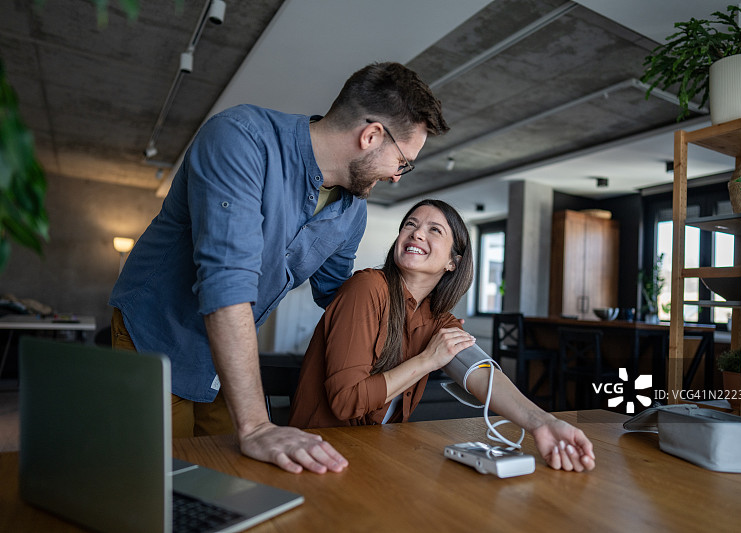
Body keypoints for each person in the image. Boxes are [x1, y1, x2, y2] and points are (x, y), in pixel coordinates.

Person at [109, 62, 449, 474]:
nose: (398, 177)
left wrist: (414, 312)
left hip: (228, 355)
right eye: (403, 162)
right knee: (161, 477)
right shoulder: (240, 139)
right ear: (371, 135)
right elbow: (226, 286)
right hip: (158, 336)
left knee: (230, 477)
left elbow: (336, 294)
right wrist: (255, 425)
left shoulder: (351, 211)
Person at [288, 199, 595, 472]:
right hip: (320, 454)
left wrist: (543, 423)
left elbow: (482, 377)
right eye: (410, 224)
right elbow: (346, 402)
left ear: (453, 262)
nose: (417, 233)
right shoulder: (367, 287)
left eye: (434, 230)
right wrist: (427, 361)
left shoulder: (438, 320)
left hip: (372, 455)